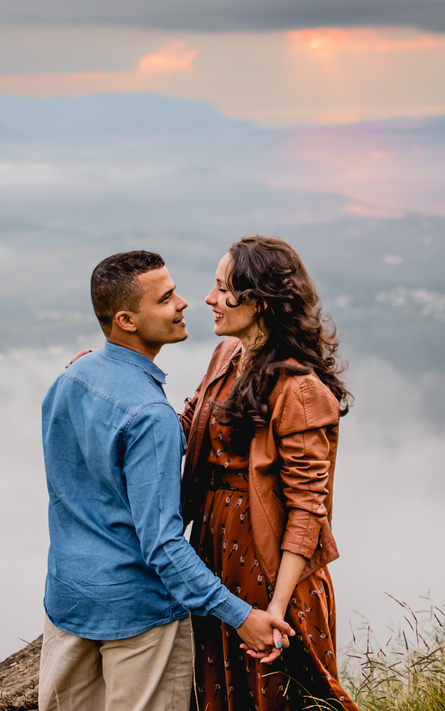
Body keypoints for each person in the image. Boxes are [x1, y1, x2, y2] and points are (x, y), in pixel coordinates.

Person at [39, 250, 294, 711]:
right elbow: (162, 545)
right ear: (127, 320)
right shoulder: (148, 414)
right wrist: (241, 617)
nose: (183, 303)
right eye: (166, 298)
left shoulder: (70, 378)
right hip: (139, 615)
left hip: (69, 600)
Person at [181, 236, 360, 711]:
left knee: (279, 698)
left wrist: (276, 608)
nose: (209, 299)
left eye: (223, 289)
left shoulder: (299, 390)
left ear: (259, 301)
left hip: (268, 567)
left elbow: (307, 508)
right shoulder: (228, 356)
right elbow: (186, 423)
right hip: (214, 555)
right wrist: (110, 375)